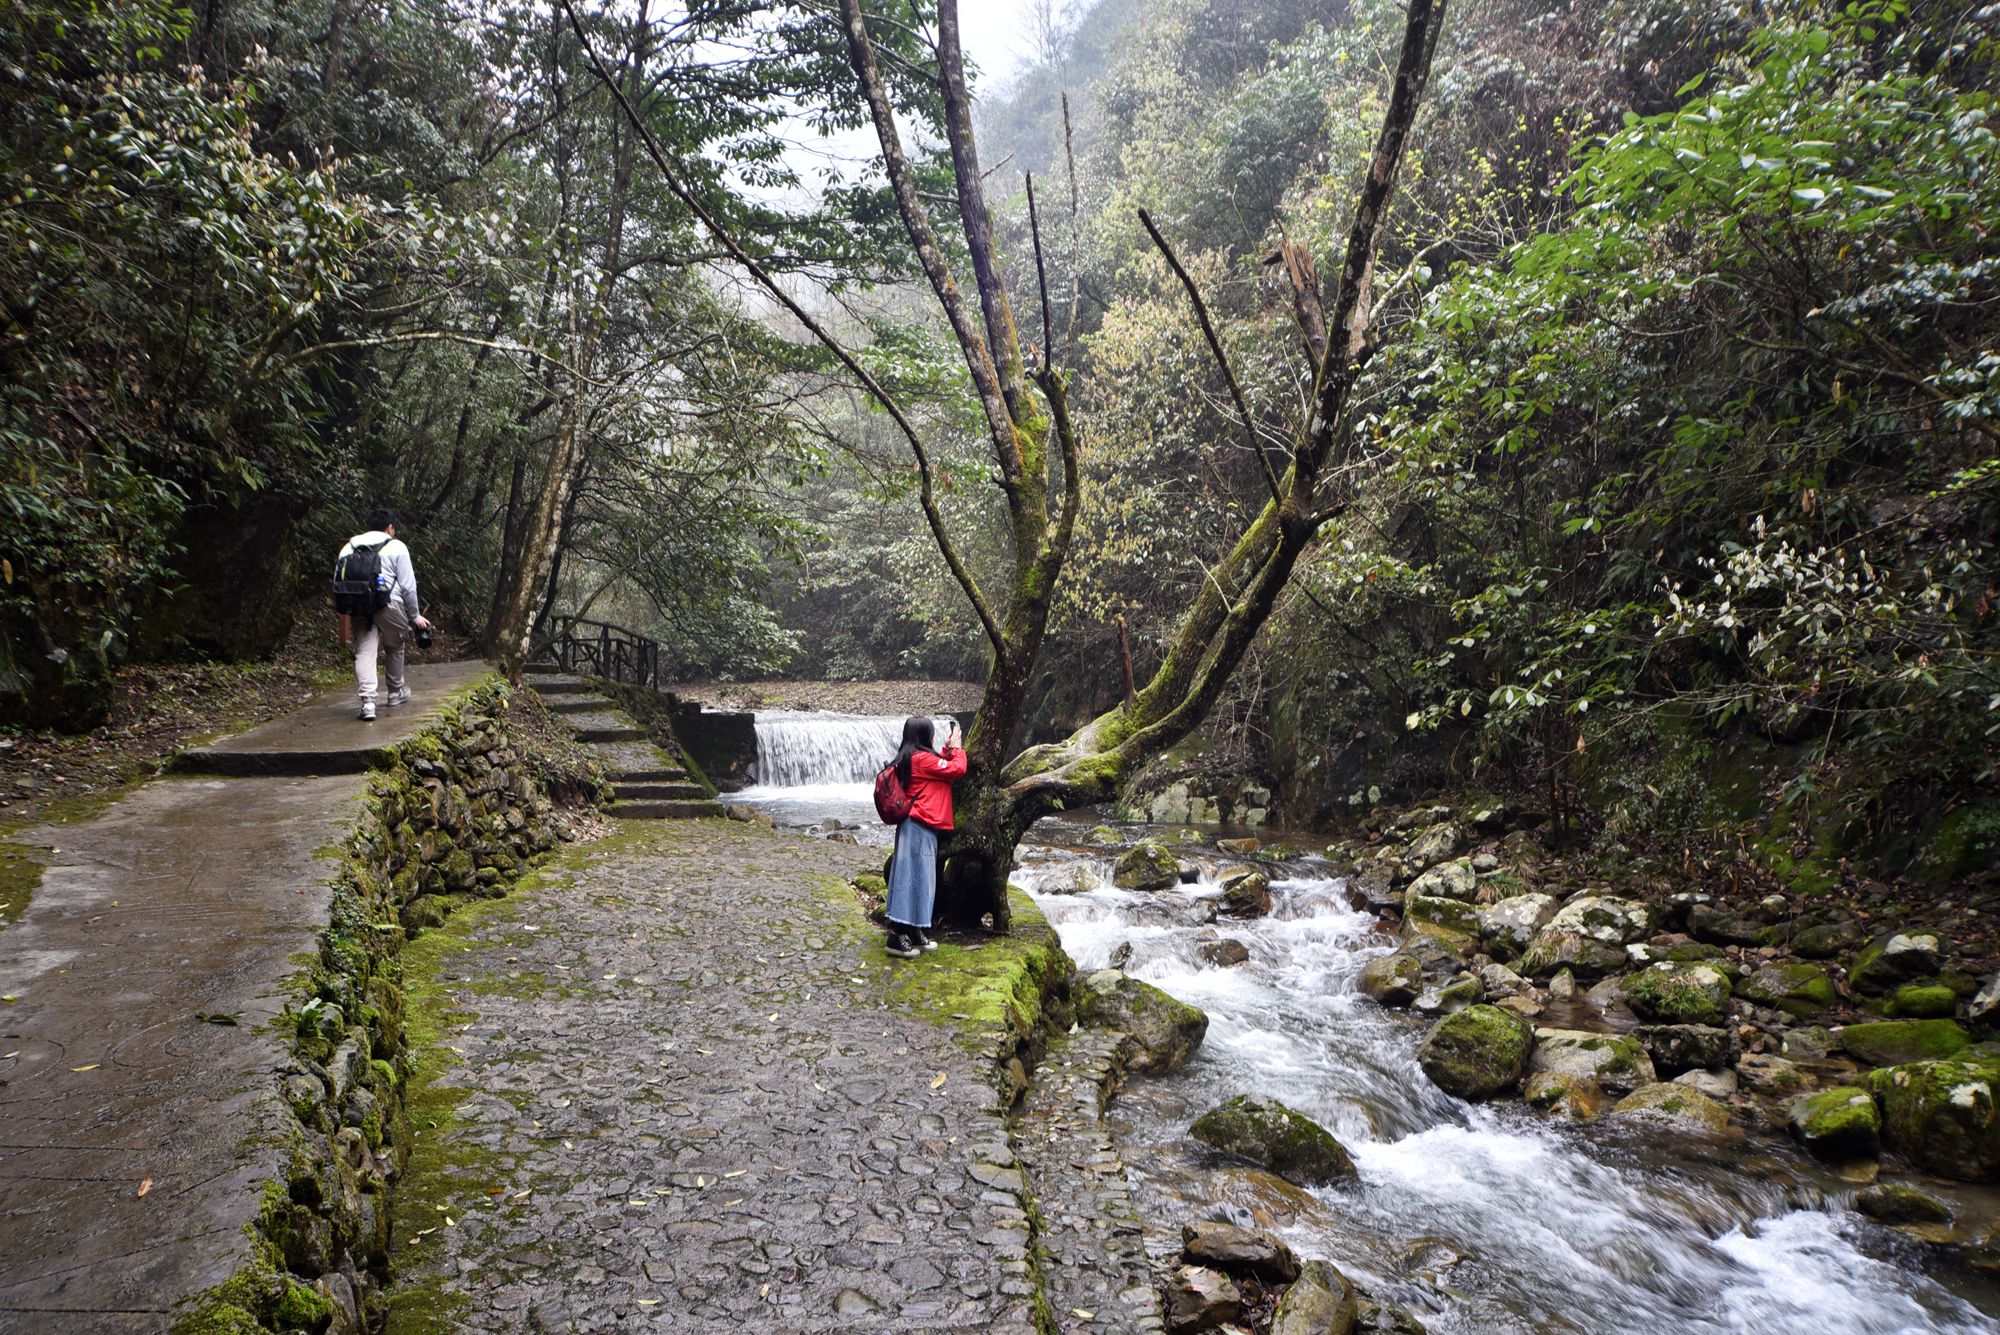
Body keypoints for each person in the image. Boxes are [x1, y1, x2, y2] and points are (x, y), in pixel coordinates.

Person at [335, 507, 429, 721]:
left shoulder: (349, 547)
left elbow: (338, 580)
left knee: (364, 652)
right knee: (395, 643)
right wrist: (414, 616)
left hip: (359, 605)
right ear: (390, 527)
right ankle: (396, 692)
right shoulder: (397, 546)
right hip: (389, 604)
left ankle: (368, 703)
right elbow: (408, 586)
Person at [884, 715, 966, 959]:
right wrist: (958, 748)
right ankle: (896, 936)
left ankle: (915, 930)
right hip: (917, 825)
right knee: (911, 880)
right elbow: (956, 769)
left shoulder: (915, 758)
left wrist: (947, 749)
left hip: (921, 825)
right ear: (924, 737)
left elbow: (939, 764)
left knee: (922, 880)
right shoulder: (920, 759)